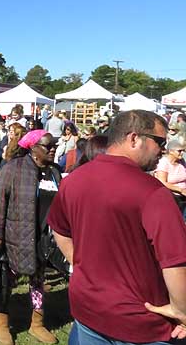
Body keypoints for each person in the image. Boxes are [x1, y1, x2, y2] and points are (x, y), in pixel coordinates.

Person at [48, 110, 186, 344]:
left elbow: (59, 230)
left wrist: (79, 263)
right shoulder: (153, 192)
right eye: (159, 142)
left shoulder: (74, 180)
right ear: (134, 138)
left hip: (89, 309)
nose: (162, 150)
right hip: (142, 322)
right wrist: (181, 311)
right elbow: (176, 263)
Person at [0, 129, 61, 345]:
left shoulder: (55, 171)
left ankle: (37, 324)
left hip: (43, 240)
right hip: (15, 236)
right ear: (33, 148)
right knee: (6, 283)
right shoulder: (13, 168)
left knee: (38, 282)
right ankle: (2, 324)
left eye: (54, 145)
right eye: (47, 146)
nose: (52, 149)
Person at [155, 136, 186, 218]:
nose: (182, 153)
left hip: (184, 196)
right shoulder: (164, 163)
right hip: (173, 197)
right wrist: (180, 190)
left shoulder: (182, 161)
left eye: (183, 150)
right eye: (179, 151)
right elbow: (161, 182)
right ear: (171, 151)